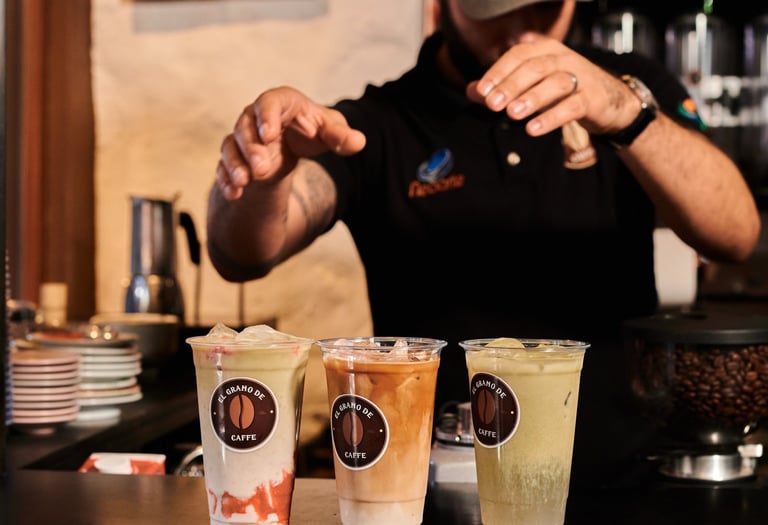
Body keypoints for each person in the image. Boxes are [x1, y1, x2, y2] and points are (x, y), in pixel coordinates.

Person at [207, 0, 761, 486]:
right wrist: (268, 174)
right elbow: (244, 253)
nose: (523, 30)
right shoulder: (384, 122)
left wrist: (624, 115)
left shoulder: (626, 87)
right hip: (434, 485)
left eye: (544, 7)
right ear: (441, 6)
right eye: (495, 11)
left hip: (621, 477)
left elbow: (736, 234)